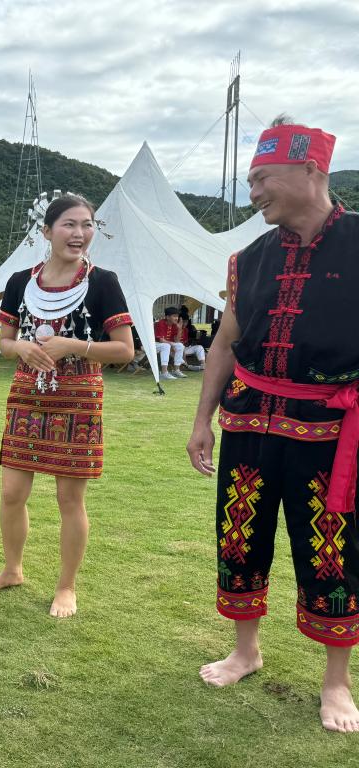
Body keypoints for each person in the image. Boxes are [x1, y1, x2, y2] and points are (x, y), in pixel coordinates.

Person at [187, 118, 359, 733]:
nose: (252, 192)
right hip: (250, 426)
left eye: (262, 178)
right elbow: (226, 344)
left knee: (334, 554)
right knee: (239, 538)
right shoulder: (248, 260)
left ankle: (336, 683)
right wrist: (203, 418)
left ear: (310, 171)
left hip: (333, 434)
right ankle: (245, 650)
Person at [0, 194, 135, 617]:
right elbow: (5, 343)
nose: (79, 233)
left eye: (87, 224)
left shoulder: (103, 282)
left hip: (79, 400)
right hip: (27, 395)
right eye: (69, 224)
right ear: (46, 232)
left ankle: (67, 586)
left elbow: (124, 350)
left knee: (69, 499)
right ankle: (12, 570)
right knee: (11, 492)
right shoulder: (19, 282)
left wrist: (74, 345)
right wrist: (21, 349)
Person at [153, 307, 186, 380]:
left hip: (166, 345)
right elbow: (161, 340)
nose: (176, 318)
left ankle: (176, 370)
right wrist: (172, 345)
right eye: (174, 316)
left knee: (180, 345)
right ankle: (164, 372)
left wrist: (180, 329)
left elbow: (177, 341)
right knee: (166, 345)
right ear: (167, 317)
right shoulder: (160, 323)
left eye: (177, 316)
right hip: (153, 344)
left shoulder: (174, 325)